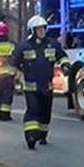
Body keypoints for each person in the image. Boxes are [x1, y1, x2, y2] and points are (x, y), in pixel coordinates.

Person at [15, 15, 70, 150]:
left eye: (43, 28)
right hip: (31, 87)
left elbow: (62, 56)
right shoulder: (24, 46)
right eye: (38, 29)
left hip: (47, 87)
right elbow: (14, 63)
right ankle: (31, 137)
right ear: (32, 31)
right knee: (33, 111)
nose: (42, 31)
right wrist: (15, 77)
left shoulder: (52, 44)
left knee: (45, 113)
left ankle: (42, 134)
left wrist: (65, 66)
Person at [0, 21, 17, 121]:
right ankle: (5, 114)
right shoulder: (11, 44)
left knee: (0, 93)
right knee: (7, 94)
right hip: (9, 73)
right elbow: (16, 57)